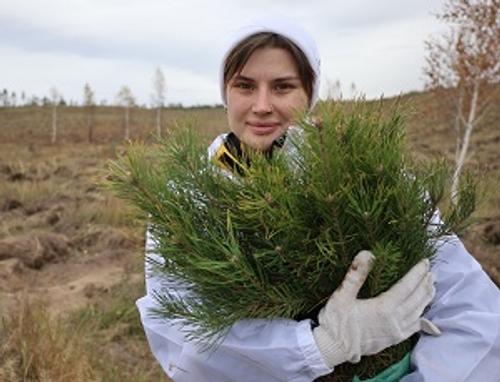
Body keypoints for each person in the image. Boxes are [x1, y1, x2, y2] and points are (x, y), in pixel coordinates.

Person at [136, 17, 500, 382]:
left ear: (309, 94)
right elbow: (181, 329)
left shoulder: (369, 177)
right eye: (245, 86)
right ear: (225, 92)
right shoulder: (188, 202)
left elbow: (469, 304)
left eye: (283, 87)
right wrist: (322, 345)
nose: (262, 106)